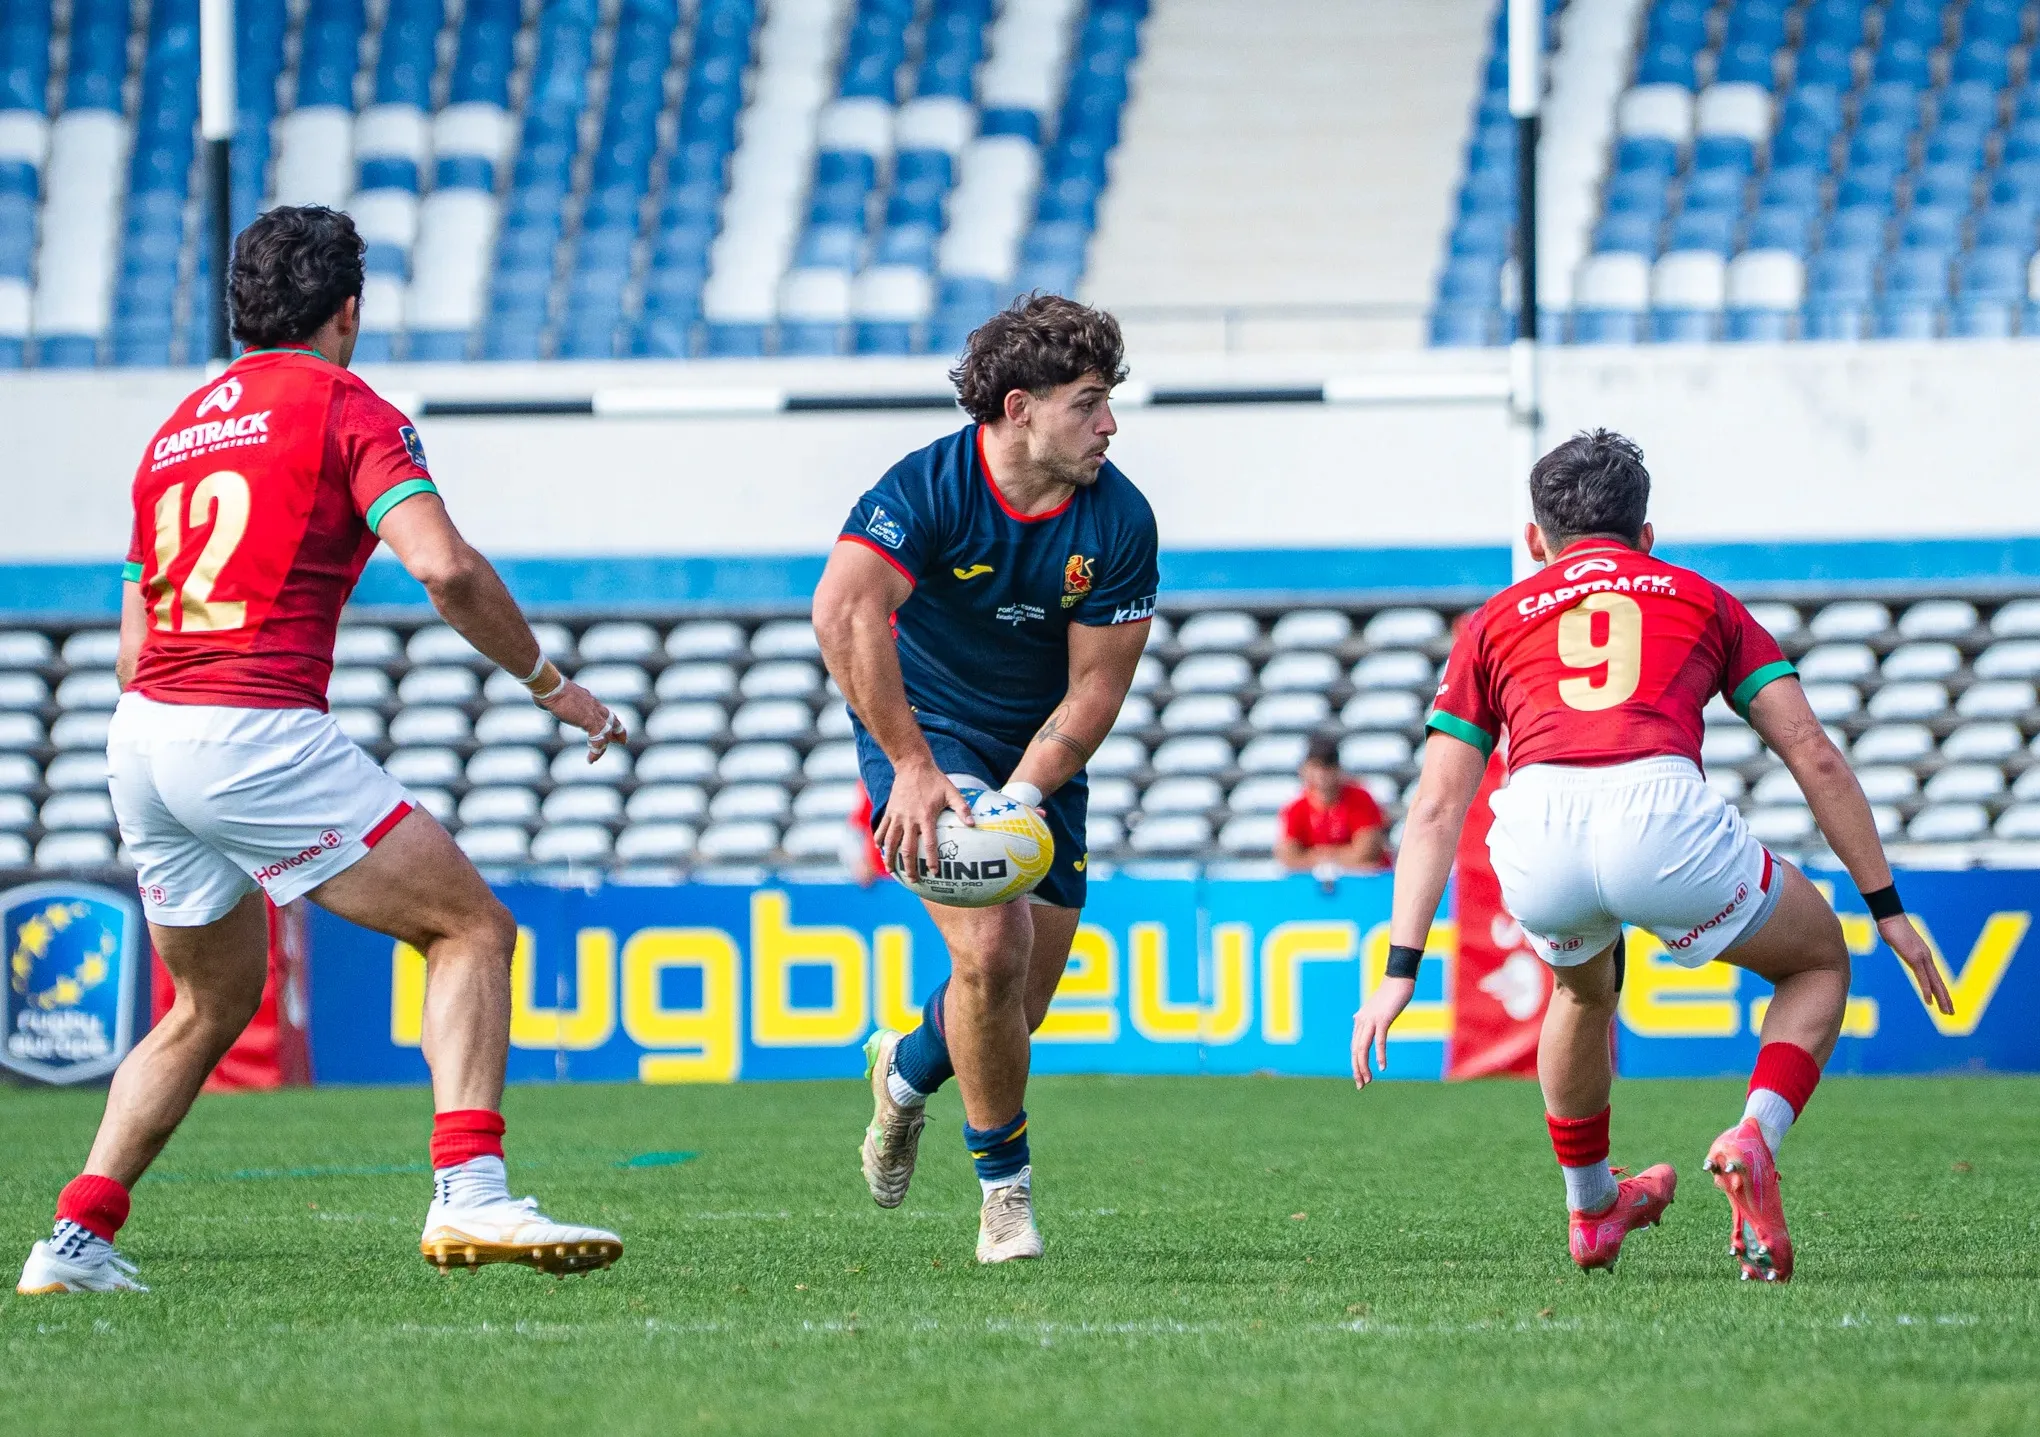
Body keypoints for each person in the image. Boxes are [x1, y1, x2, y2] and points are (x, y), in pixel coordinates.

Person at [17, 207, 629, 1295]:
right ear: (349, 310)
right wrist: (553, 685)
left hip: (143, 736)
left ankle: (73, 1240)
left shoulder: (172, 438)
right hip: (248, 726)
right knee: (470, 927)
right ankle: (472, 1194)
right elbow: (442, 569)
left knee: (208, 1003)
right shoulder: (348, 407)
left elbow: (129, 650)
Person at [1348, 429, 1952, 1283]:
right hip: (1660, 811)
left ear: (1535, 542)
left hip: (1539, 824)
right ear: (1647, 535)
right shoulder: (1699, 597)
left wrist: (1399, 970)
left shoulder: (1492, 619)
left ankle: (1592, 1207)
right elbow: (1811, 752)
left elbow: (1439, 804)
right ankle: (1753, 1136)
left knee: (1580, 988)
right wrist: (1886, 908)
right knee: (1817, 959)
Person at [812, 294, 1156, 1263]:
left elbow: (1096, 688)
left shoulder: (1120, 520)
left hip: (1041, 748)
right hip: (926, 733)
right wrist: (914, 766)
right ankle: (1005, 1198)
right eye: (1089, 403)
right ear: (1019, 409)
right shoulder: (925, 489)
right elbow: (842, 610)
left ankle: (904, 1071)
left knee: (1013, 1006)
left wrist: (1029, 789)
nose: (1110, 425)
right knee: (991, 949)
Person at [1275, 735, 1388, 875]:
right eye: (1316, 766)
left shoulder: (1359, 800)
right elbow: (1289, 857)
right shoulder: (1296, 808)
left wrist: (1317, 856)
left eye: (1328, 766)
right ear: (1304, 769)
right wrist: (1342, 856)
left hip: (1364, 884)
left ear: (1338, 769)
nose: (1322, 773)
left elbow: (1367, 852)